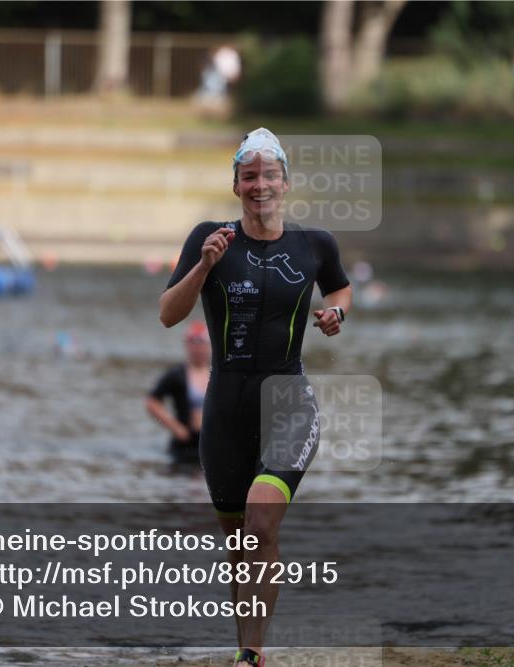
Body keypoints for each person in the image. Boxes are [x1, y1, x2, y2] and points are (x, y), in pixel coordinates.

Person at [159, 128, 352, 667]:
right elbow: (168, 313)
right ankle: (247, 647)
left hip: (287, 401)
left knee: (261, 523)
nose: (260, 185)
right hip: (225, 408)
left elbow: (339, 286)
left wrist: (338, 312)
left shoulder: (315, 244)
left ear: (285, 182)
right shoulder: (209, 237)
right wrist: (203, 265)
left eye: (270, 175)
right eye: (249, 176)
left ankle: (251, 654)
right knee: (239, 544)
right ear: (236, 184)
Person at [145, 321, 211, 466]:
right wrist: (175, 427)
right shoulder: (177, 375)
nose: (197, 349)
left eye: (201, 344)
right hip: (185, 444)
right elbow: (152, 401)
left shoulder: (217, 374)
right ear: (187, 346)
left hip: (210, 443)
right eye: (193, 343)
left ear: (209, 346)